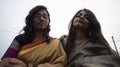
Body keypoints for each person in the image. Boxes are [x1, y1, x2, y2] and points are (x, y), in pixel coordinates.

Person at [0, 5, 67, 67]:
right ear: (31, 20)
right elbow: (5, 61)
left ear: (48, 21)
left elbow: (62, 63)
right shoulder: (20, 39)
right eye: (37, 16)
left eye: (45, 16)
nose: (42, 19)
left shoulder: (55, 43)